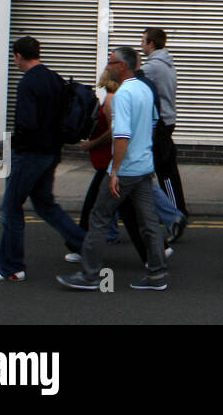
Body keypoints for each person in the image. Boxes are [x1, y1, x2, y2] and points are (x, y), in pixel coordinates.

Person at [57, 46, 169, 291]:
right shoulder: (145, 89)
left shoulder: (122, 95)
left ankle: (89, 276)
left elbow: (121, 136)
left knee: (99, 218)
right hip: (143, 166)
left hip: (126, 168)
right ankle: (157, 274)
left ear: (123, 66)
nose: (107, 66)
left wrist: (115, 171)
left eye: (111, 62)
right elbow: (152, 124)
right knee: (148, 222)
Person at [0, 36, 87, 282]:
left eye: (15, 57)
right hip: (51, 153)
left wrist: (16, 146)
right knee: (44, 204)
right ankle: (86, 246)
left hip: (29, 155)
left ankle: (11, 268)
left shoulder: (27, 83)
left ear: (19, 56)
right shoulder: (54, 79)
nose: (15, 61)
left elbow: (27, 123)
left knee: (11, 209)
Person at [140, 27, 185, 238]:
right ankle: (174, 212)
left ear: (151, 43)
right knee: (165, 170)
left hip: (161, 125)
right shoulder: (166, 62)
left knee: (165, 172)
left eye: (143, 40)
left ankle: (176, 216)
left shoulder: (153, 67)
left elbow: (132, 79)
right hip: (167, 121)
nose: (141, 44)